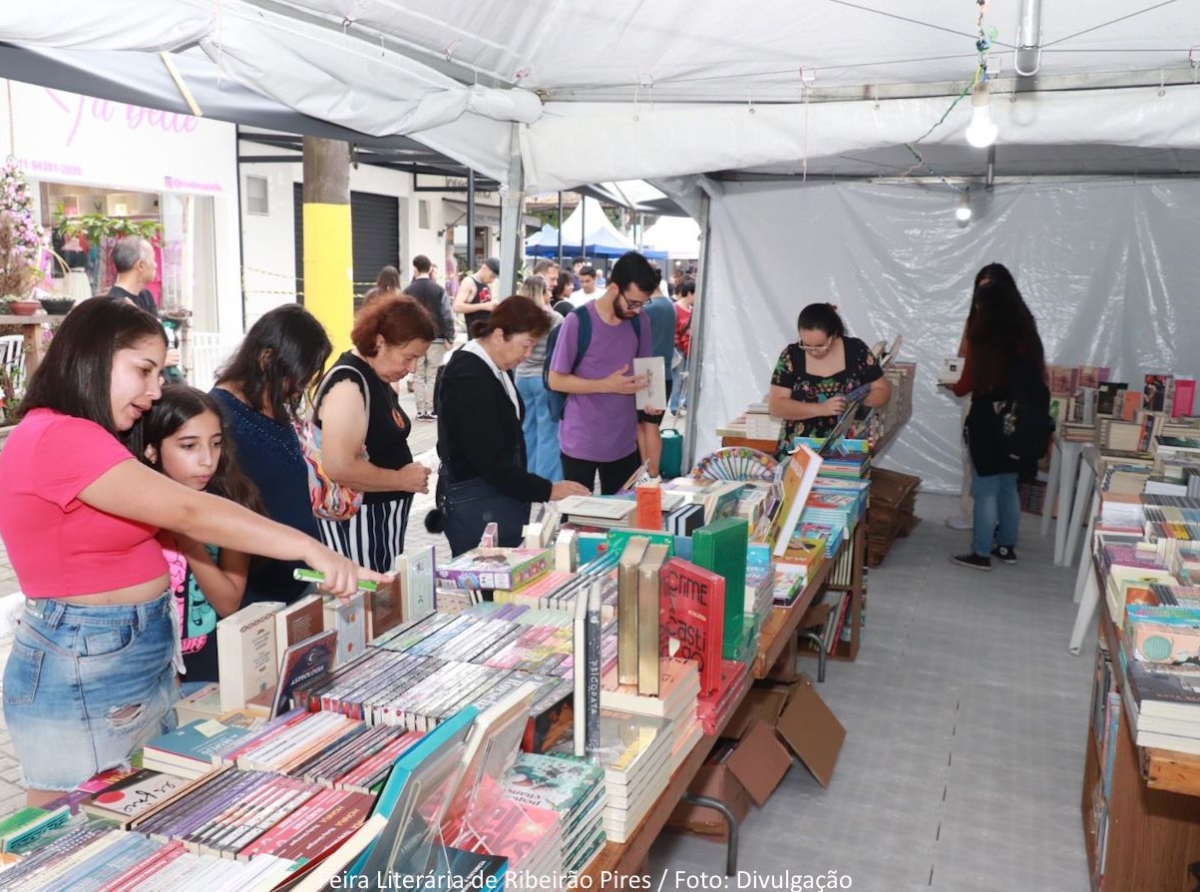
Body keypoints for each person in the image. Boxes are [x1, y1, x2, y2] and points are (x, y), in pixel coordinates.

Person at [0, 299, 382, 803]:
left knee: (136, 818)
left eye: (160, 372)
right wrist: (308, 547)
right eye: (143, 369)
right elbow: (189, 512)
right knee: (76, 834)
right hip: (86, 660)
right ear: (92, 357)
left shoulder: (87, 437)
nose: (155, 389)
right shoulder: (60, 436)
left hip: (126, 653)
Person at [437, 296, 589, 555]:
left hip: (493, 496)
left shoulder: (493, 366)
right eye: (525, 345)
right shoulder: (470, 377)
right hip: (479, 503)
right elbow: (489, 459)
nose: (527, 355)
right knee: (487, 584)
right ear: (498, 336)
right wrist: (547, 489)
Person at [136, 385, 264, 693]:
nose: (208, 460)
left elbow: (229, 602)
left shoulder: (230, 502)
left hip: (211, 672)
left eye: (216, 444)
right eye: (189, 446)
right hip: (148, 678)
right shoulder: (133, 509)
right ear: (152, 449)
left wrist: (188, 538)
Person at [211, 304, 333, 604]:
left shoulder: (274, 405)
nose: (301, 387)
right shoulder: (217, 416)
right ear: (267, 358)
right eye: (298, 376)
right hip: (255, 594)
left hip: (299, 580)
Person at [314, 297, 434, 572]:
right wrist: (402, 479)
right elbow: (340, 466)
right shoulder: (349, 384)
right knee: (365, 603)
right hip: (357, 527)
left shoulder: (374, 377)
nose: (413, 368)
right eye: (409, 357)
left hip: (375, 526)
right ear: (379, 343)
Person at [950, 278, 1047, 571]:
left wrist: (952, 387)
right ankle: (1006, 547)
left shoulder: (983, 335)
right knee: (1008, 487)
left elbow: (967, 382)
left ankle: (981, 552)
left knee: (985, 488)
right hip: (1020, 421)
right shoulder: (1028, 335)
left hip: (987, 418)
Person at [548, 251, 659, 495]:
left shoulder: (640, 323)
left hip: (623, 443)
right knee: (577, 518)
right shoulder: (578, 322)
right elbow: (555, 380)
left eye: (643, 303)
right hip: (580, 441)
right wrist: (606, 385)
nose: (637, 310)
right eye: (632, 302)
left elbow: (646, 372)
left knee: (623, 517)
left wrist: (651, 400)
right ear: (612, 289)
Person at [944, 263, 1022, 530]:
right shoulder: (982, 321)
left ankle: (983, 532)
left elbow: (970, 369)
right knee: (983, 464)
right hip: (991, 401)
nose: (984, 295)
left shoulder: (1007, 324)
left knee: (987, 468)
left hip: (992, 403)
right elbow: (964, 358)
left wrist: (958, 384)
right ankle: (983, 522)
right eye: (981, 289)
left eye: (990, 288)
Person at [767, 303, 892, 454]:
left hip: (847, 448)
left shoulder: (856, 350)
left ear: (834, 335)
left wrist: (858, 401)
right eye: (806, 345)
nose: (813, 352)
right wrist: (820, 409)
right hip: (800, 451)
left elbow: (882, 390)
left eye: (820, 346)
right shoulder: (791, 356)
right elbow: (776, 406)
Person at [108, 235, 182, 382]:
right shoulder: (115, 304)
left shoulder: (145, 296)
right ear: (140, 265)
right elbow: (122, 355)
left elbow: (162, 338)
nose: (155, 265)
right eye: (153, 259)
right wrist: (159, 361)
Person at [513, 275, 564, 482]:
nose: (551, 293)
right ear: (542, 292)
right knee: (549, 434)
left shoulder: (517, 317)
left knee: (526, 431)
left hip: (521, 377)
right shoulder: (555, 319)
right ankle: (546, 481)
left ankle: (527, 475)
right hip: (544, 379)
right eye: (548, 290)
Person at [403, 255, 455, 420]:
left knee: (418, 374)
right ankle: (432, 410)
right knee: (432, 374)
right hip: (436, 338)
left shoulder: (408, 290)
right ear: (430, 269)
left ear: (415, 268)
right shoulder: (439, 290)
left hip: (415, 338)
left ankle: (420, 410)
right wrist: (449, 337)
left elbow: (403, 315)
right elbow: (447, 315)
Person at [638, 275, 678, 477]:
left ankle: (649, 472)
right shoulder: (670, 305)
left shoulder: (647, 308)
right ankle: (651, 472)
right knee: (651, 425)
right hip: (665, 371)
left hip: (646, 372)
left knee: (645, 426)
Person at [669, 276, 696, 415]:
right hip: (679, 349)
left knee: (688, 378)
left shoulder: (693, 310)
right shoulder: (675, 308)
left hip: (689, 349)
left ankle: (684, 403)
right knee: (678, 379)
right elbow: (672, 330)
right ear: (690, 293)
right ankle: (674, 406)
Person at [453, 257, 500, 333]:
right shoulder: (469, 282)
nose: (492, 280)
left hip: (487, 332)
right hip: (476, 334)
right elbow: (457, 307)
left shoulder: (485, 284)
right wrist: (484, 306)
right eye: (492, 276)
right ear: (484, 268)